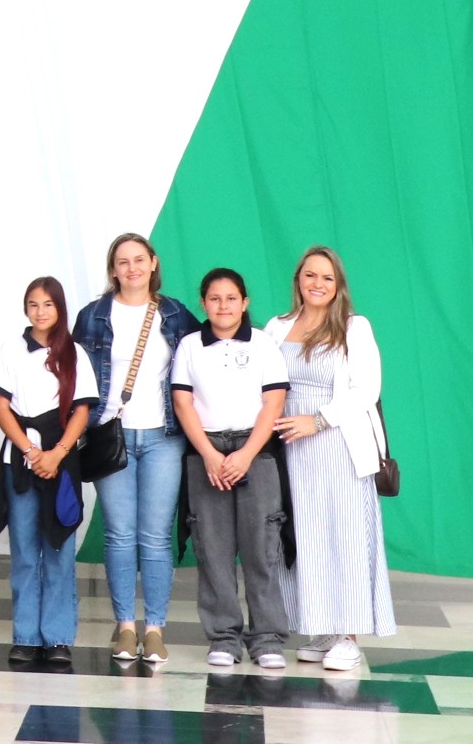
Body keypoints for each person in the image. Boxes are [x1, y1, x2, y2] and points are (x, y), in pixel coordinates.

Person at [72, 233, 201, 664]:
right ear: (113, 270)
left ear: (153, 263)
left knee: (156, 537)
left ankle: (155, 628)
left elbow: (199, 365)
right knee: (120, 534)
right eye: (123, 262)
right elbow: (75, 378)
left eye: (139, 260)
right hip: (113, 436)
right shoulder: (93, 316)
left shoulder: (174, 313)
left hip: (164, 436)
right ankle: (126, 626)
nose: (131, 269)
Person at [271, 246, 396, 671]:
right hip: (290, 449)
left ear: (338, 284)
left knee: (343, 535)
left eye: (326, 277)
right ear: (298, 281)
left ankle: (349, 634)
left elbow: (366, 390)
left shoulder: (353, 327)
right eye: (310, 275)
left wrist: (318, 421)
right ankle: (322, 626)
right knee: (305, 536)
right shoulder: (277, 326)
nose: (317, 284)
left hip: (337, 445)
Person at [171, 267, 291, 670]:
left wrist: (246, 455)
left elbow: (273, 403)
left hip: (255, 451)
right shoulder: (190, 346)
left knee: (261, 548)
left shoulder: (264, 345)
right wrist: (208, 453)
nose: (223, 306)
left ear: (245, 302)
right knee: (214, 548)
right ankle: (223, 636)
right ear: (203, 304)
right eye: (215, 299)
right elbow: (183, 403)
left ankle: (268, 637)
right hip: (206, 452)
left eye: (232, 298)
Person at [0, 277, 99, 669]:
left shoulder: (74, 354)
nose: (40, 312)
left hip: (61, 460)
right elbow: (1, 407)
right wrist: (30, 450)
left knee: (58, 548)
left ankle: (56, 637)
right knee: (24, 550)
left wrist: (56, 454)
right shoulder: (11, 350)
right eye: (33, 304)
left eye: (48, 305)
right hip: (20, 458)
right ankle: (25, 636)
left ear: (60, 310)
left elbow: (82, 411)